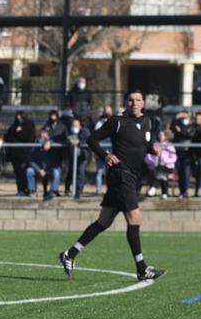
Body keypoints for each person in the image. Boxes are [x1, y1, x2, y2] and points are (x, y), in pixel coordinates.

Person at [59, 90, 165, 282]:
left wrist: (152, 149)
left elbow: (144, 143)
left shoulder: (148, 122)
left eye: (138, 100)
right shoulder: (117, 121)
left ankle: (70, 254)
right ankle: (141, 268)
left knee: (104, 222)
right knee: (135, 219)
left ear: (143, 103)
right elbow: (92, 140)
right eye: (130, 100)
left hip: (132, 177)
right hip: (120, 176)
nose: (134, 103)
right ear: (126, 102)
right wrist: (106, 155)